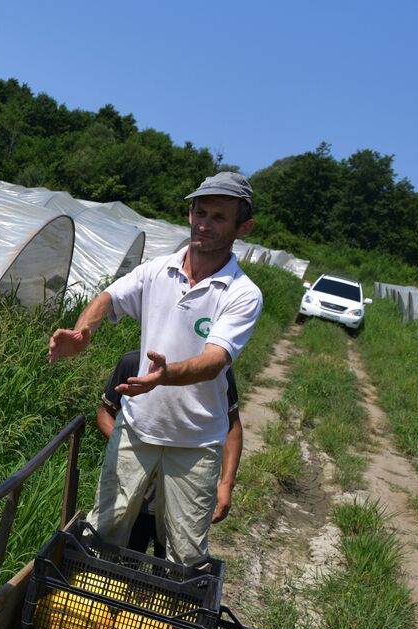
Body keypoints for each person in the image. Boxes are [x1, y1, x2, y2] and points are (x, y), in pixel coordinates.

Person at [50, 171, 262, 567]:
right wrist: (83, 334)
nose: (204, 224)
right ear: (189, 214)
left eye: (218, 217)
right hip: (137, 429)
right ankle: (86, 616)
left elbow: (216, 359)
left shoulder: (242, 293)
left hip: (196, 441)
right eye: (200, 212)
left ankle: (173, 624)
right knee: (106, 529)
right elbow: (109, 298)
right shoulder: (157, 270)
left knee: (184, 552)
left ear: (242, 227)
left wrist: (166, 376)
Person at [96, 350, 242, 557]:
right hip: (136, 489)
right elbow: (105, 412)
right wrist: (127, 443)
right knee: (123, 551)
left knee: (176, 553)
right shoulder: (132, 362)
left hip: (184, 481)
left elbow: (232, 426)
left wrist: (227, 483)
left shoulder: (213, 368)